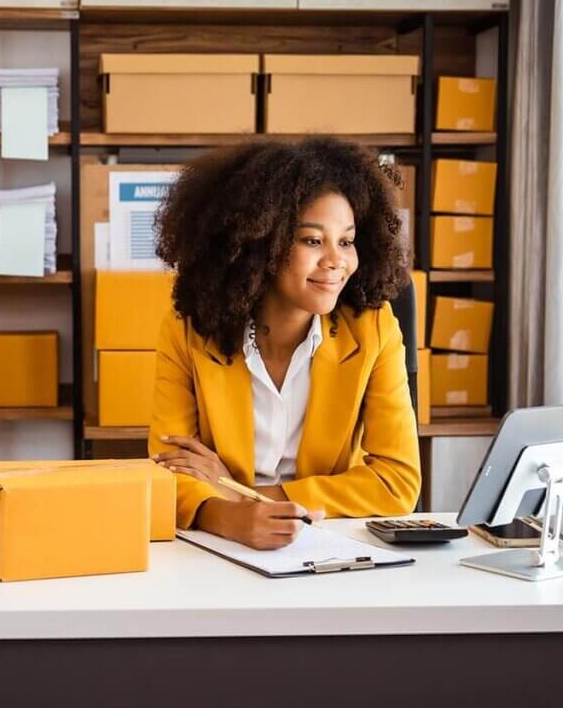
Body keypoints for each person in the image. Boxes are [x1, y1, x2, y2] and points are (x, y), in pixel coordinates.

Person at [148, 137, 421, 550]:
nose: (336, 260)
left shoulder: (373, 329)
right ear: (260, 245)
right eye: (312, 241)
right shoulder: (188, 329)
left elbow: (398, 482)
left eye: (346, 241)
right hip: (216, 546)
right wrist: (229, 519)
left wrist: (245, 498)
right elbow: (169, 467)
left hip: (327, 542)